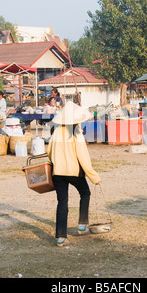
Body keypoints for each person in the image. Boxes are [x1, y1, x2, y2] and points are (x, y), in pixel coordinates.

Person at [47, 102, 101, 247]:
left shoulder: (56, 131)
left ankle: (60, 237)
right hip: (73, 171)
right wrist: (94, 176)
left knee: (62, 202)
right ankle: (82, 225)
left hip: (57, 172)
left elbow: (49, 151)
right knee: (85, 192)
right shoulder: (76, 132)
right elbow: (83, 157)